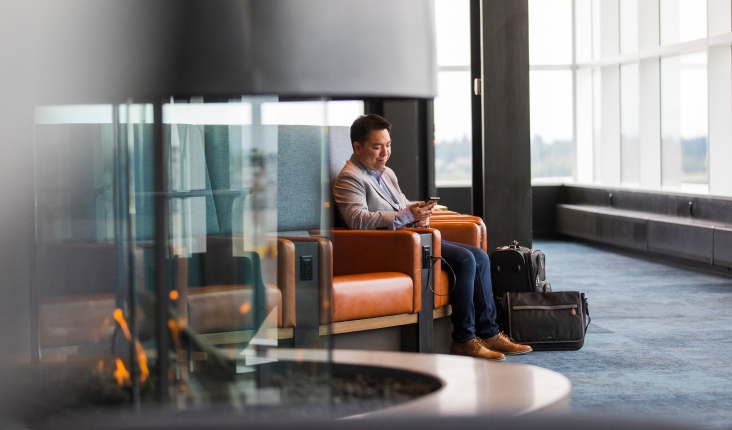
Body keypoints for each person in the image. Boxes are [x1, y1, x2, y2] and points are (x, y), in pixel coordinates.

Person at [333, 114, 532, 361]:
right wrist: (405, 216)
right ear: (357, 147)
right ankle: (464, 339)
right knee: (464, 261)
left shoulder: (386, 173)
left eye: (388, 145)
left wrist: (418, 214)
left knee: (479, 256)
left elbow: (401, 205)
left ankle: (489, 332)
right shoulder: (349, 177)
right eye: (377, 146)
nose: (385, 152)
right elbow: (357, 220)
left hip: (413, 239)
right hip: (391, 247)